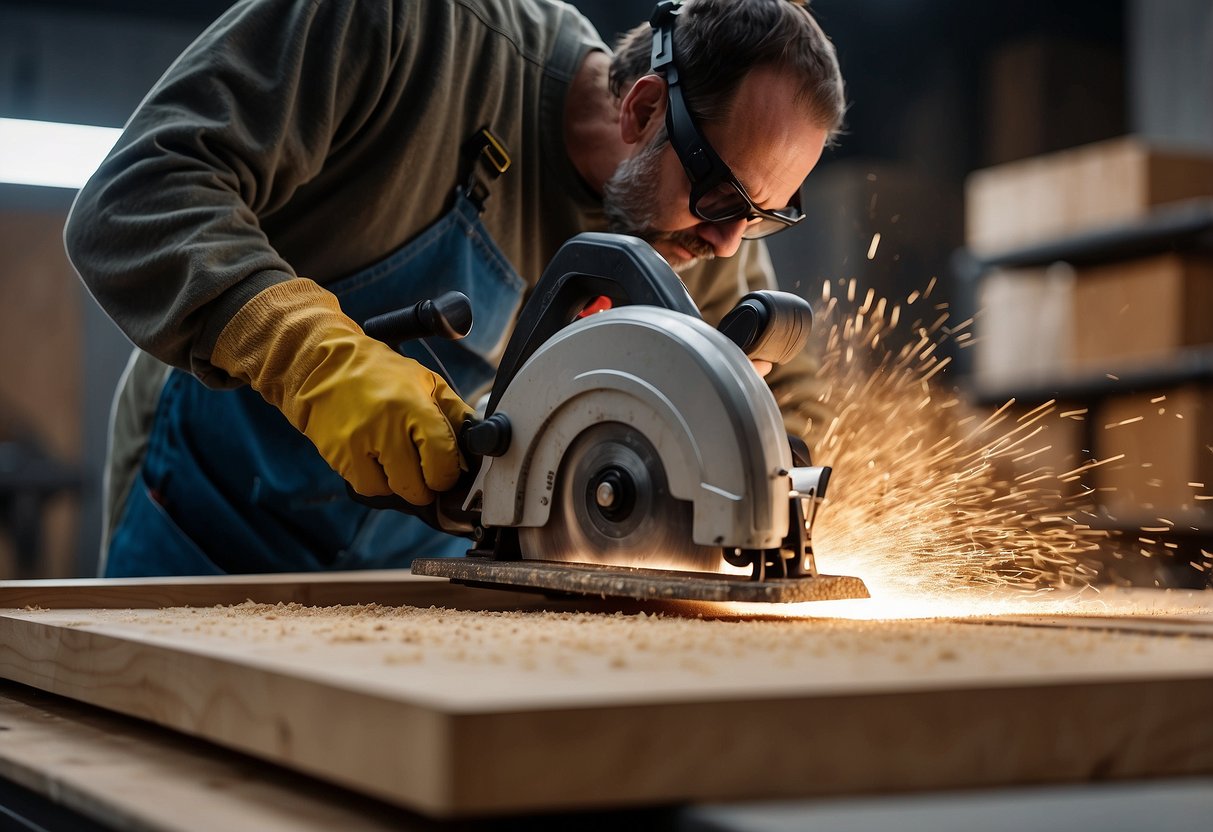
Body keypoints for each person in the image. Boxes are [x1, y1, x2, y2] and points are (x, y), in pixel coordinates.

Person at [65, 0, 846, 577]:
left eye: (762, 215)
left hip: (421, 569)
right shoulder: (416, 28)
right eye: (721, 201)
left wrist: (758, 483)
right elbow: (134, 198)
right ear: (643, 107)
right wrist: (313, 361)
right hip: (211, 512)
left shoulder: (702, 227)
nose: (727, 243)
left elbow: (784, 398)